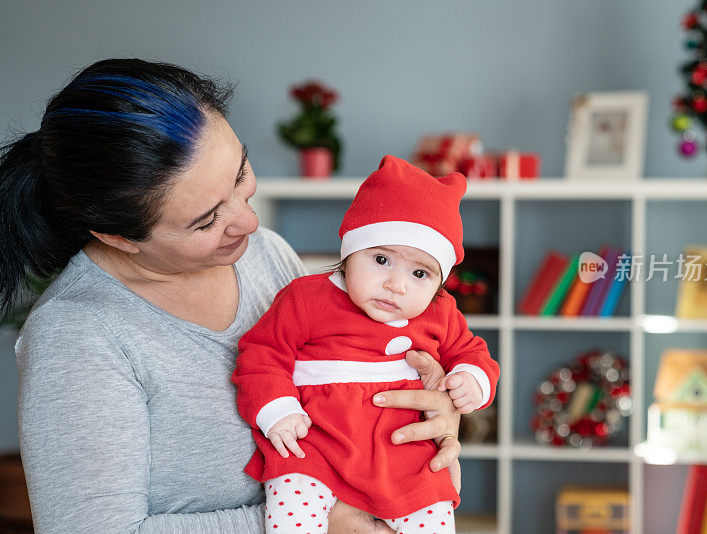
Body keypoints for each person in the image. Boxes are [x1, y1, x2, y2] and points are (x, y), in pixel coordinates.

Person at [0, 58, 463, 534]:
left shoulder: (267, 256)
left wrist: (432, 417)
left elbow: (348, 382)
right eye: (206, 220)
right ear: (118, 236)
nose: (248, 223)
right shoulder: (76, 337)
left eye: (241, 175)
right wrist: (323, 520)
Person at [232, 155, 500, 534]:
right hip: (317, 444)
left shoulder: (440, 313)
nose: (397, 285)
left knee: (434, 513)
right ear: (349, 253)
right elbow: (262, 354)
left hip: (403, 454)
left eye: (420, 273)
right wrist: (276, 408)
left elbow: (474, 353)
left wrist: (472, 380)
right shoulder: (305, 299)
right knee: (291, 513)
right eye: (380, 259)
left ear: (440, 284)